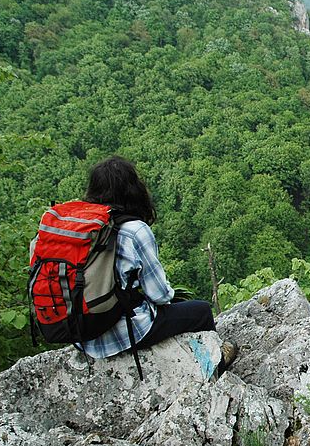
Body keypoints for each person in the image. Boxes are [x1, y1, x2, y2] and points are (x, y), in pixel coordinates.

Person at [77, 156, 235, 367]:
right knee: (201, 311)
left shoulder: (83, 229)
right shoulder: (134, 231)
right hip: (122, 332)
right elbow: (160, 295)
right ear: (132, 190)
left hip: (82, 333)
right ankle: (212, 365)